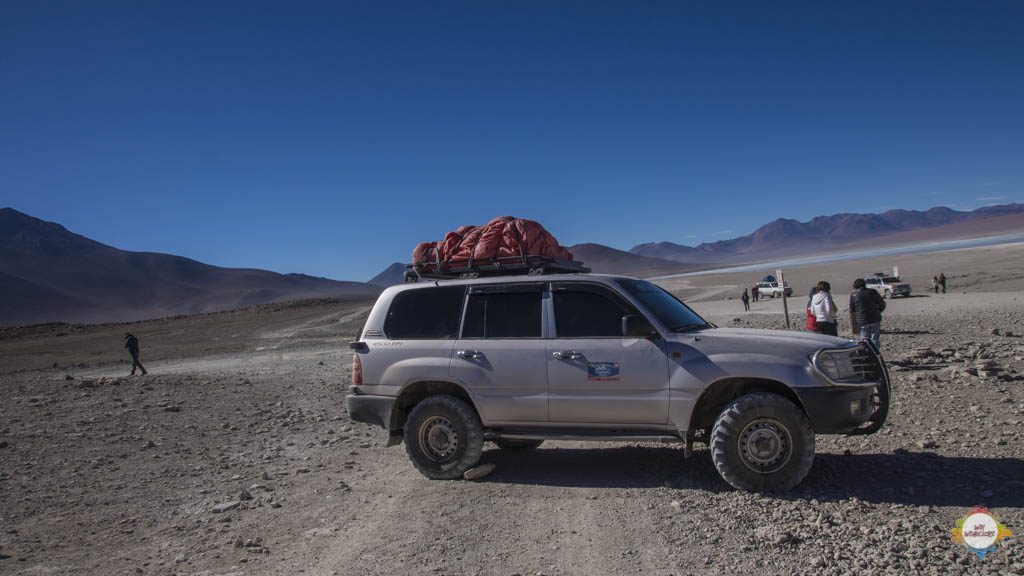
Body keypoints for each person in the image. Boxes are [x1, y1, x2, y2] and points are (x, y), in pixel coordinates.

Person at [849, 278, 886, 348]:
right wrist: (879, 311)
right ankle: (876, 354)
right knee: (875, 337)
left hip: (862, 320)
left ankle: (866, 354)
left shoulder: (853, 295)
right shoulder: (873, 292)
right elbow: (882, 303)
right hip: (875, 318)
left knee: (865, 338)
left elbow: (852, 309)